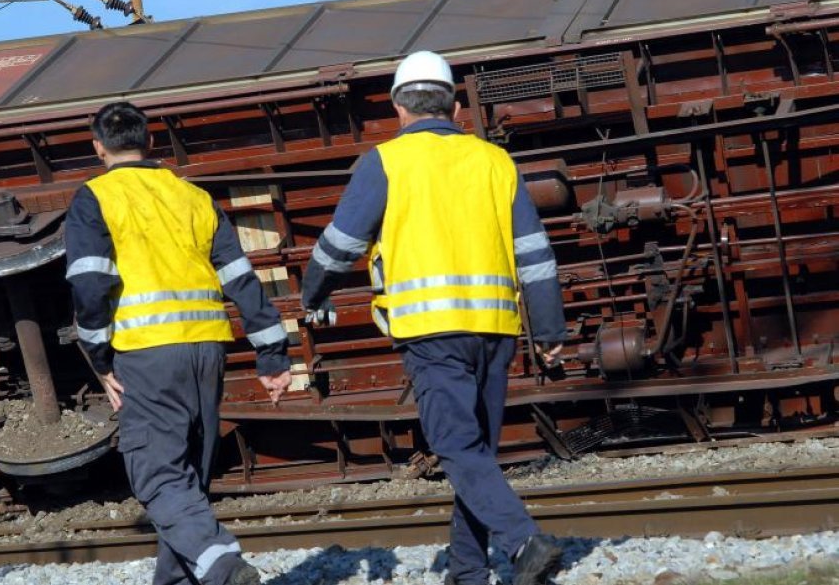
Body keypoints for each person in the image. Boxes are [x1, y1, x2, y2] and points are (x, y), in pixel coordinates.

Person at [300, 51, 568, 585]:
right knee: (477, 454)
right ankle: (467, 571)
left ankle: (522, 542)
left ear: (398, 106)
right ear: (457, 106)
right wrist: (550, 328)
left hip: (430, 332)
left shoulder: (386, 162)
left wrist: (314, 292)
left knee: (456, 449)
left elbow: (340, 246)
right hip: (495, 329)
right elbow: (535, 253)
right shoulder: (495, 162)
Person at [65, 101, 292, 585]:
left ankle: (223, 564)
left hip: (145, 351)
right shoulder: (192, 196)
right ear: (150, 143)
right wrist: (272, 354)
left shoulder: (95, 197)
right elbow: (241, 279)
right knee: (187, 478)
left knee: (158, 475)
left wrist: (100, 359)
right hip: (208, 348)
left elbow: (89, 285)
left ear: (98, 146)